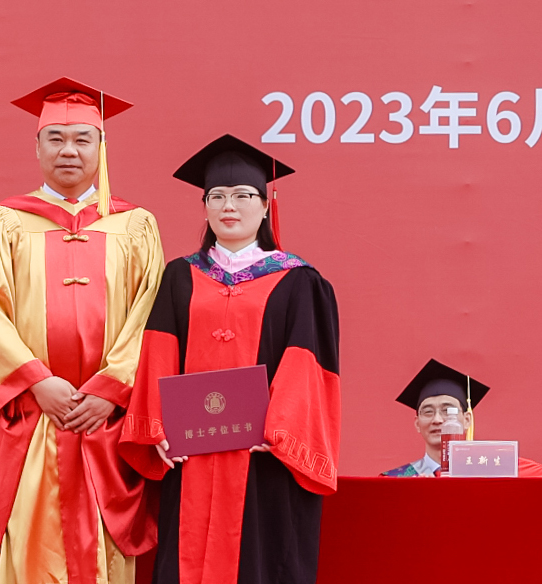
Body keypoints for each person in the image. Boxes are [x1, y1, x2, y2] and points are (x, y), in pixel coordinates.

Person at [0, 78, 164, 584]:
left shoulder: (135, 227)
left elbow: (149, 317)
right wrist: (38, 381)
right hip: (33, 417)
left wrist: (110, 389)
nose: (69, 151)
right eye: (55, 138)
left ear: (101, 147)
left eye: (83, 139)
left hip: (107, 422)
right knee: (34, 549)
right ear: (36, 147)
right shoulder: (5, 223)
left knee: (105, 552)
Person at [119, 135, 341, 584]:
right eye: (217, 197)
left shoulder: (298, 282)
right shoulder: (180, 276)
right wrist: (156, 426)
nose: (229, 207)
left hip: (262, 455)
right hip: (193, 450)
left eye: (242, 196)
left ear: (265, 206)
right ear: (204, 208)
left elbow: (306, 366)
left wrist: (280, 431)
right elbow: (158, 353)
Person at [382, 359, 542, 477]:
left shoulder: (498, 468)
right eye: (428, 412)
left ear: (467, 420)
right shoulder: (396, 481)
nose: (437, 419)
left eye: (448, 410)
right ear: (417, 423)